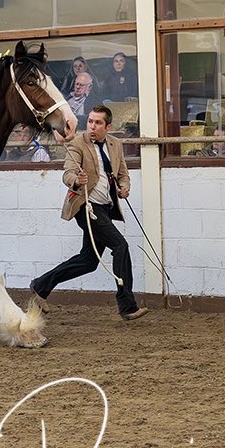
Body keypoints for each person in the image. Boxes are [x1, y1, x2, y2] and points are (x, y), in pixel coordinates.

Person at [29, 105, 148, 321]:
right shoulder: (77, 144)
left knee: (88, 261)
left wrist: (124, 187)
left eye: (98, 123)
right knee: (120, 246)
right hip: (86, 208)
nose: (93, 126)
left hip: (104, 208)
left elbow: (123, 174)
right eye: (90, 121)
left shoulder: (115, 144)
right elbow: (67, 173)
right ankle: (127, 306)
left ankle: (41, 285)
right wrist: (76, 180)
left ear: (108, 126)